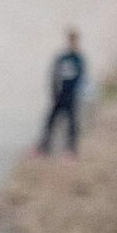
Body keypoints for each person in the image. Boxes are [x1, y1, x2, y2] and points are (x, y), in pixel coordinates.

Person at [39, 28, 86, 157]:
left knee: (72, 123)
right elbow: (54, 75)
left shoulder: (78, 59)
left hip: (71, 96)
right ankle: (44, 146)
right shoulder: (62, 58)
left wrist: (78, 94)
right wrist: (54, 91)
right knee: (51, 120)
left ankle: (71, 149)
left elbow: (82, 79)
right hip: (60, 95)